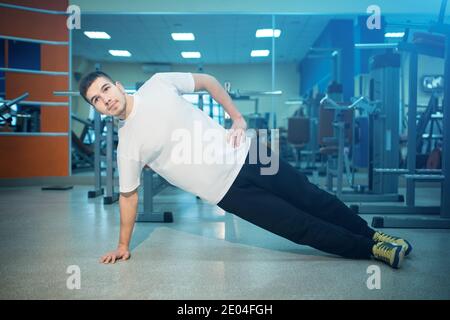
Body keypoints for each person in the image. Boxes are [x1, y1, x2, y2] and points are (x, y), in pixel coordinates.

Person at [79, 71, 412, 269]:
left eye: (105, 89)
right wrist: (123, 245)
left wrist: (237, 118)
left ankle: (370, 233)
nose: (105, 99)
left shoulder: (157, 84)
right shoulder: (127, 146)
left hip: (248, 153)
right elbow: (128, 197)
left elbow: (208, 81)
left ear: (117, 85)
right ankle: (370, 249)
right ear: (96, 108)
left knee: (312, 197)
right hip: (228, 193)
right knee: (299, 227)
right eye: (96, 99)